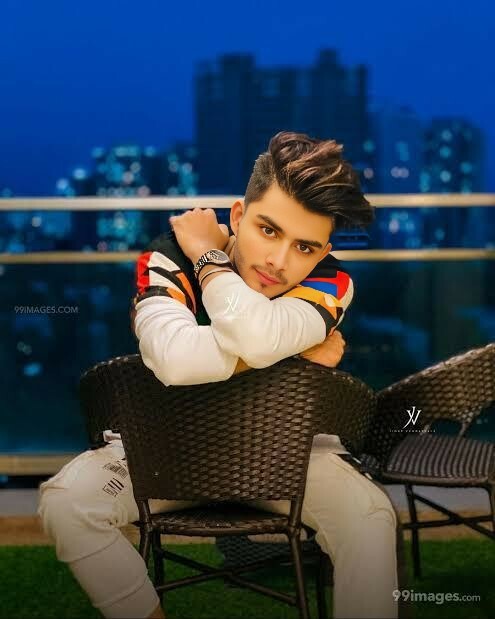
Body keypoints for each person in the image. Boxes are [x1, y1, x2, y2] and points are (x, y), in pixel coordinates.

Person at [38, 131, 409, 619]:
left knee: (369, 517)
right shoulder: (168, 257)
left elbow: (247, 338)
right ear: (237, 216)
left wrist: (208, 259)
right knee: (66, 503)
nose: (279, 262)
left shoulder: (332, 281)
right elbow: (176, 360)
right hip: (164, 446)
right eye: (268, 230)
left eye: (304, 247)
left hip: (282, 451)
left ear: (321, 253)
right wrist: (285, 356)